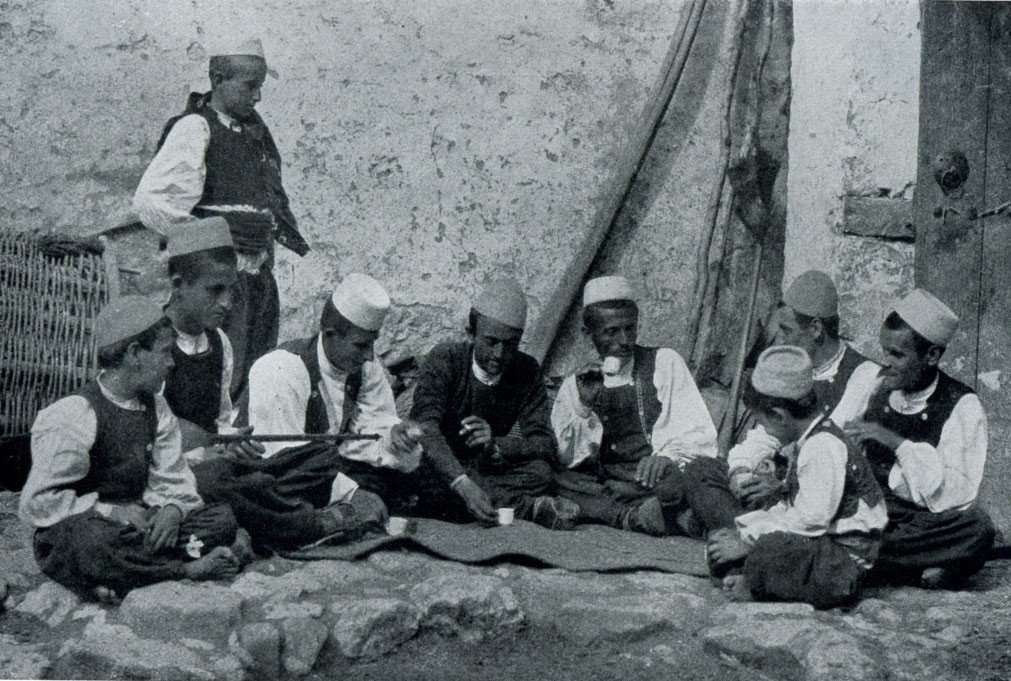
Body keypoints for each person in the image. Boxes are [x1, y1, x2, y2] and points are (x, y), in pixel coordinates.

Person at [20, 297, 245, 603]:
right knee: (91, 543)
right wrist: (110, 511)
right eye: (164, 351)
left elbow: (172, 476)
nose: (171, 362)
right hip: (87, 527)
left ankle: (117, 577)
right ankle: (185, 569)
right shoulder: (74, 413)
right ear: (135, 354)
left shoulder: (156, 407)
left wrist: (172, 510)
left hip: (139, 526)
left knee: (221, 519)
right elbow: (38, 503)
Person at [133, 36, 309, 403]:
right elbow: (150, 202)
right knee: (216, 375)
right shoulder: (196, 128)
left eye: (260, 86)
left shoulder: (255, 134)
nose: (257, 97)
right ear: (218, 79)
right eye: (250, 86)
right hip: (216, 283)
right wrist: (210, 239)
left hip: (257, 280)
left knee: (253, 375)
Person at [239, 274, 420, 547]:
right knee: (274, 498)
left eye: (372, 343)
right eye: (361, 345)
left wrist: (393, 436)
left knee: (399, 478)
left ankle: (337, 516)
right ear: (330, 335)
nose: (369, 355)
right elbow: (283, 459)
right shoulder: (281, 369)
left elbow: (373, 426)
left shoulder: (364, 367)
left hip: (325, 470)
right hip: (275, 471)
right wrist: (352, 494)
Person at [707, 346, 889, 608]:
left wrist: (749, 540)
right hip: (821, 543)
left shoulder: (822, 447)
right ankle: (755, 572)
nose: (766, 430)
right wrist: (745, 530)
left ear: (779, 416)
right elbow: (793, 507)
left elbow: (810, 522)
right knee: (735, 536)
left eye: (764, 423)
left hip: (844, 559)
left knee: (771, 548)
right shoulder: (809, 439)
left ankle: (757, 585)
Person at [551, 275, 731, 536]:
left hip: (656, 480)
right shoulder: (576, 383)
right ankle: (639, 517)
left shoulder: (664, 362)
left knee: (685, 479)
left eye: (630, 328)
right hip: (612, 484)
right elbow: (567, 457)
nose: (625, 340)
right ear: (588, 334)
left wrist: (665, 458)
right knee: (560, 480)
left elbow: (696, 431)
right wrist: (584, 406)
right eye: (612, 332)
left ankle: (657, 513)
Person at [843, 289, 996, 588]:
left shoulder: (961, 404)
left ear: (931, 356)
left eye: (897, 355)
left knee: (978, 529)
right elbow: (838, 434)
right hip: (871, 508)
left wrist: (895, 443)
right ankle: (916, 565)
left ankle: (866, 558)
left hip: (920, 520)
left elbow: (955, 496)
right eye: (885, 351)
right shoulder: (875, 384)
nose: (886, 362)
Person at [403, 280, 580, 529]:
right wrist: (461, 482)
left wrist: (498, 445)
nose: (499, 354)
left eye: (511, 344)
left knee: (541, 473)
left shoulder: (527, 370)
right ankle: (529, 508)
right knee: (417, 472)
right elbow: (424, 428)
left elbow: (544, 443)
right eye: (491, 342)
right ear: (471, 334)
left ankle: (471, 504)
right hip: (443, 467)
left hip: (486, 470)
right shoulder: (445, 359)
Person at [726, 270, 880, 513]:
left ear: (816, 329)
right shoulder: (794, 367)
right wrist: (741, 469)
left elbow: (834, 457)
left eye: (787, 330)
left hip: (818, 494)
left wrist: (781, 485)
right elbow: (767, 432)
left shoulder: (865, 377)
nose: (781, 340)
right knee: (702, 470)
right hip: (775, 480)